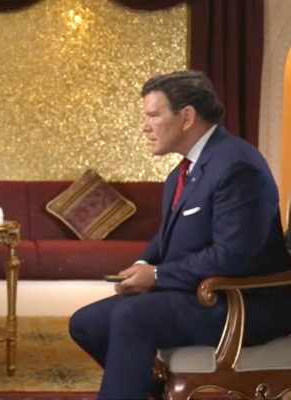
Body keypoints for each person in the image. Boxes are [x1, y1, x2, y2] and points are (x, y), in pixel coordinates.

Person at [69, 70, 291, 399]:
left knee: (133, 316)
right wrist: (142, 264)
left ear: (186, 117)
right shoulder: (181, 173)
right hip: (199, 292)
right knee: (86, 324)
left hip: (244, 303)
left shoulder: (237, 165)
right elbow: (166, 237)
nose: (145, 126)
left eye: (153, 115)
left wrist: (158, 276)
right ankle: (153, 391)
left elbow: (234, 256)